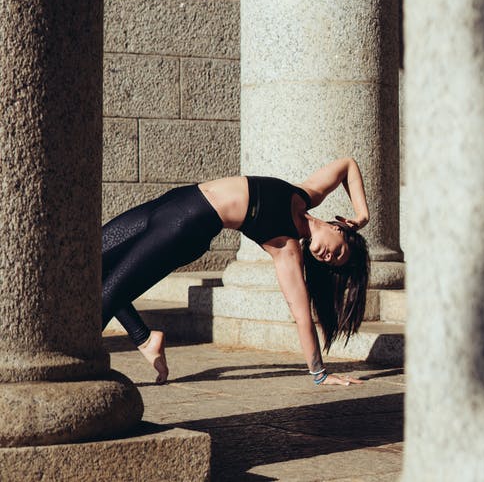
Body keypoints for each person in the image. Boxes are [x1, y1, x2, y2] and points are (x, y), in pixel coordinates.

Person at [102, 157, 370, 387]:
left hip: (183, 230)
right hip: (176, 200)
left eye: (330, 262)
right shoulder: (308, 193)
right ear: (339, 228)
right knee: (91, 264)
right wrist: (362, 216)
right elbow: (347, 165)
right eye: (338, 252)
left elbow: (302, 318)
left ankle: (73, 367)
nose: (327, 257)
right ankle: (146, 339)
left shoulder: (285, 248)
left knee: (102, 298)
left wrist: (319, 374)